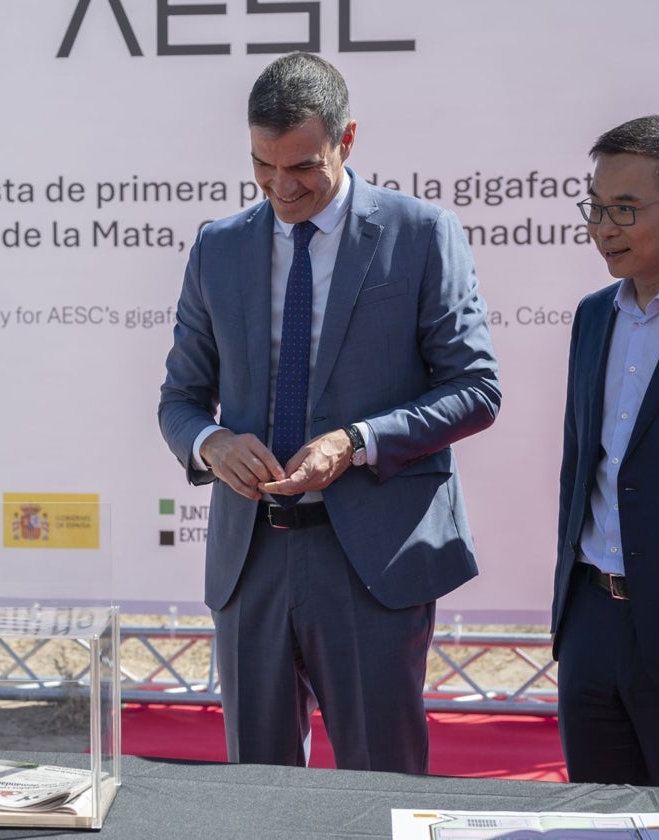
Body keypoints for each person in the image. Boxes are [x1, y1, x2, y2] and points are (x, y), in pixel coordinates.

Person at [157, 52, 500, 771]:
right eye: (262, 166)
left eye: (303, 167)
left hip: (373, 559)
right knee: (258, 789)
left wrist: (358, 441)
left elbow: (475, 388)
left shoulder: (421, 233)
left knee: (382, 784)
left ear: (347, 141)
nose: (282, 188)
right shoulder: (218, 247)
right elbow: (181, 400)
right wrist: (213, 444)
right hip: (251, 559)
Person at [552, 115, 659, 796]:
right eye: (595, 208)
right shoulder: (593, 317)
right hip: (590, 626)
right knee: (598, 818)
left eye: (624, 209)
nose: (603, 227)